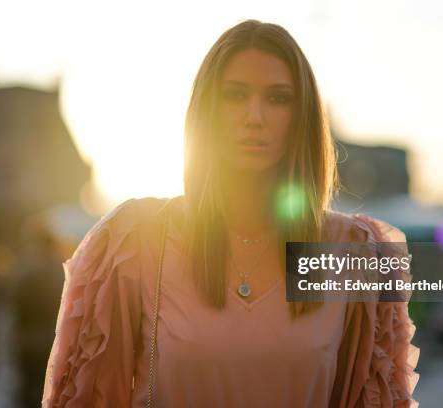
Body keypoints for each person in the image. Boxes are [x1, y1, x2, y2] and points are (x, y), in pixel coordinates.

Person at [41, 19, 419, 407]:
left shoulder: (354, 252)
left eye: (277, 98)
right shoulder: (135, 240)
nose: (254, 116)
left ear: (302, 115)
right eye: (235, 95)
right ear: (207, 109)